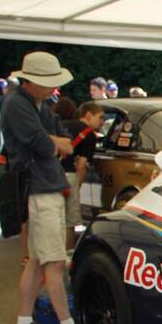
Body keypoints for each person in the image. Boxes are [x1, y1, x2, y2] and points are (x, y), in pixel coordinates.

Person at [4, 51, 78, 324]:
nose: (52, 89)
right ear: (30, 80)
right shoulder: (17, 105)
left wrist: (55, 142)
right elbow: (44, 143)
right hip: (39, 188)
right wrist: (56, 142)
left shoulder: (37, 104)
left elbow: (61, 140)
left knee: (37, 260)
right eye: (47, 82)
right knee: (54, 262)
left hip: (44, 186)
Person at [57, 99, 104, 250]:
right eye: (100, 117)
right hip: (69, 176)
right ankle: (67, 253)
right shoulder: (89, 134)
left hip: (50, 174)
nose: (102, 122)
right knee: (69, 221)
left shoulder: (62, 125)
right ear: (88, 115)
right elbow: (82, 166)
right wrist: (78, 185)